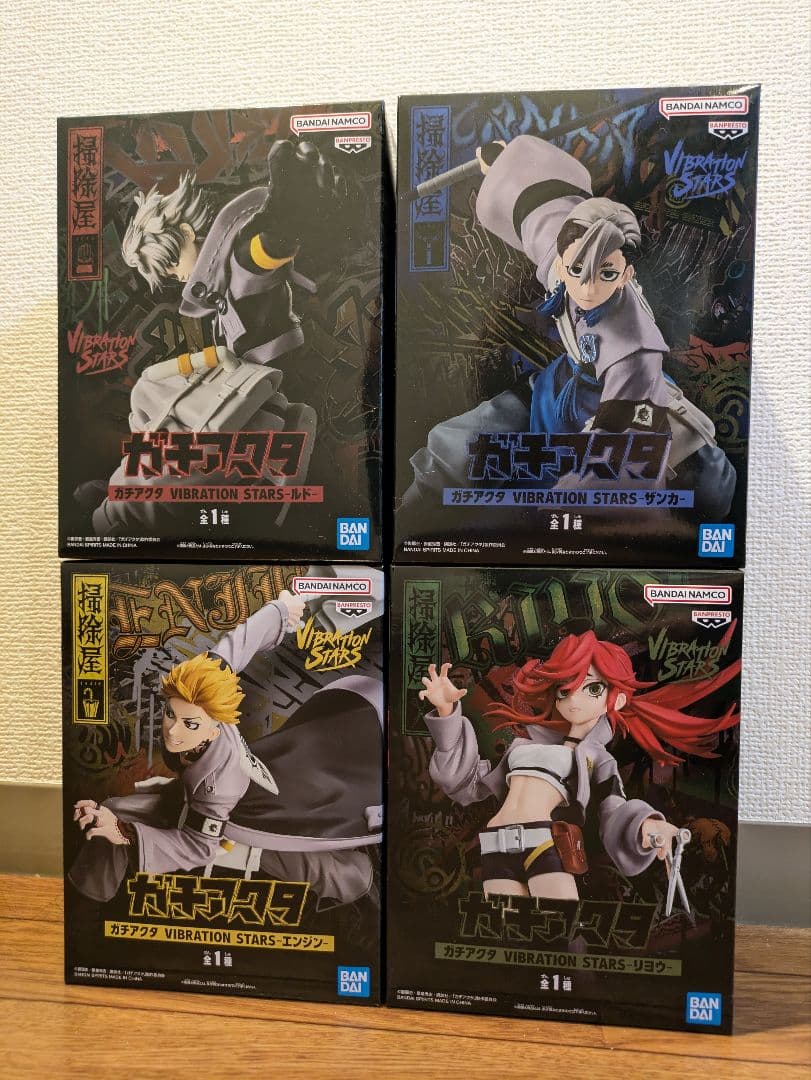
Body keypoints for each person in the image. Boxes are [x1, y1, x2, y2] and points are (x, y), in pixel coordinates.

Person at [402, 135, 735, 517]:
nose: (588, 287)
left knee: (707, 487)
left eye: (605, 273)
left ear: (626, 275)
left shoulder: (632, 346)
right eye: (576, 270)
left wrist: (551, 522)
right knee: (451, 452)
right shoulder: (576, 264)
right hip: (564, 395)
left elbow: (620, 459)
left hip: (622, 429)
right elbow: (554, 224)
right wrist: (509, 165)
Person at [69, 587, 384, 909]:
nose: (173, 731)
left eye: (190, 724)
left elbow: (198, 846)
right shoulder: (200, 692)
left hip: (245, 817)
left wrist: (123, 832)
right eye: (170, 715)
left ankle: (355, 879)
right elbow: (231, 651)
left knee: (267, 849)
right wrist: (280, 610)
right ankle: (88, 900)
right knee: (113, 808)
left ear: (214, 725)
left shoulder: (220, 781)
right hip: (226, 790)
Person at [90, 140, 344, 535]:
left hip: (250, 417)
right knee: (150, 436)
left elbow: (257, 256)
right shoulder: (218, 291)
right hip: (235, 413)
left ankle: (116, 509)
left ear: (186, 233)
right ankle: (116, 501)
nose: (175, 277)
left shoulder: (237, 273)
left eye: (171, 264)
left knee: (148, 487)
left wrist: (288, 215)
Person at [418, 630, 740, 900]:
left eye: (593, 688)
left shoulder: (597, 757)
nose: (574, 699)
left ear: (618, 698)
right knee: (508, 935)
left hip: (542, 843)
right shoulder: (523, 746)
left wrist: (646, 824)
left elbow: (614, 806)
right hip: (496, 844)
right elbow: (467, 784)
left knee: (561, 930)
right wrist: (447, 713)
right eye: (565, 689)